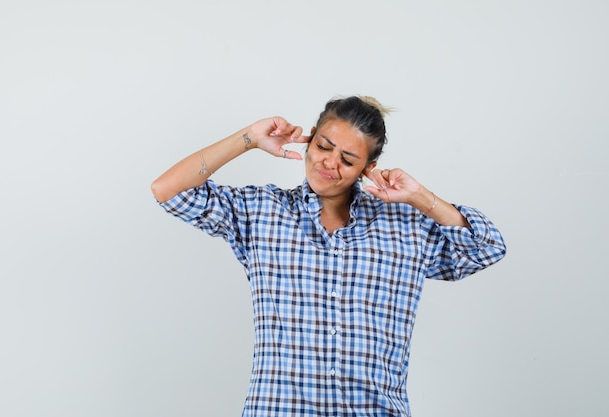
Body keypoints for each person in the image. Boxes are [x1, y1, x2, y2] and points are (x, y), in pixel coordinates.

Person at [151, 95, 507, 416]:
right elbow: (167, 190)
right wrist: (250, 139)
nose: (329, 164)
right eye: (324, 146)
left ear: (368, 167)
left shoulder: (405, 227)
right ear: (311, 139)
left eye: (348, 159)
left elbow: (486, 248)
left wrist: (419, 196)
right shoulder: (261, 212)